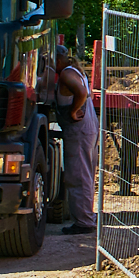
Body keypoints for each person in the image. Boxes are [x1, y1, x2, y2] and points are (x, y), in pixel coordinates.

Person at [53, 44, 100, 235]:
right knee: (86, 172)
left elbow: (81, 93)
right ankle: (86, 216)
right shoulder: (75, 71)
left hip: (78, 129)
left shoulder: (66, 74)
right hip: (88, 125)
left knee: (78, 174)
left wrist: (72, 111)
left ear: (57, 59)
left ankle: (83, 221)